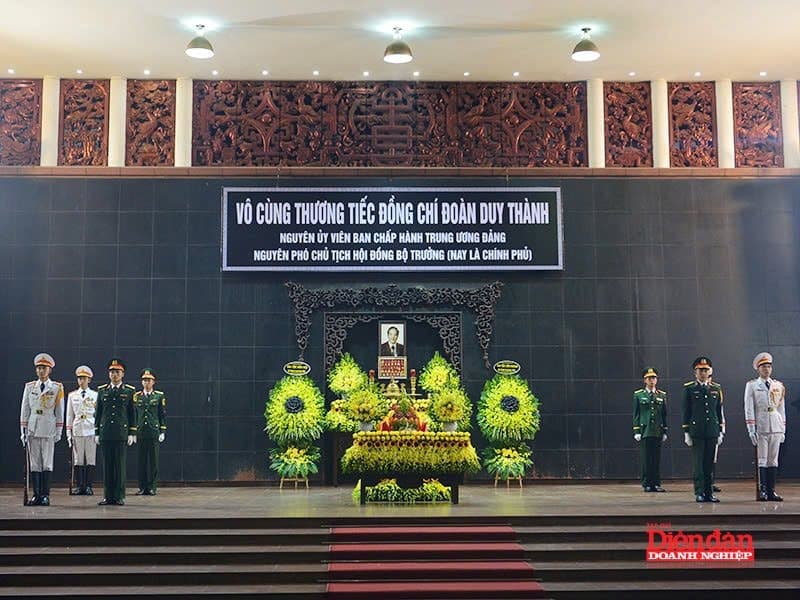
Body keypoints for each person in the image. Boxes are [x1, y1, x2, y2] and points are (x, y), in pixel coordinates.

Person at [19, 353, 64, 506]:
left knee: (47, 463)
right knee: (35, 463)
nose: (41, 371)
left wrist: (59, 431)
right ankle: (36, 495)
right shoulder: (30, 386)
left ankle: (45, 495)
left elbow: (59, 411)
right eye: (38, 368)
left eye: (44, 368)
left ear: (50, 370)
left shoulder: (57, 387)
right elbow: (25, 409)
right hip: (32, 428)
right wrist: (23, 431)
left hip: (48, 428)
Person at [745, 352, 787, 501]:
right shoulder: (752, 385)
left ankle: (771, 490)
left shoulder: (778, 385)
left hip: (775, 425)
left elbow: (781, 408)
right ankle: (762, 490)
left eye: (769, 366)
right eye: (764, 367)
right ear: (758, 368)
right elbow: (749, 408)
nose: (767, 369)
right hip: (761, 426)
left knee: (773, 460)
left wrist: (783, 429)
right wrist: (751, 429)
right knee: (762, 459)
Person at [682, 356, 724, 503]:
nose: (703, 373)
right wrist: (686, 432)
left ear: (710, 371)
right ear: (695, 372)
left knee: (709, 463)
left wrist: (720, 430)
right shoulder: (689, 388)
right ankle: (700, 492)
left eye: (706, 370)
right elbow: (686, 411)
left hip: (712, 430)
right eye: (700, 370)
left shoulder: (716, 388)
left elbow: (718, 411)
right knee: (699, 464)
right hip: (697, 431)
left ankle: (709, 492)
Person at [95, 358, 136, 506]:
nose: (114, 374)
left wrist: (132, 432)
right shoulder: (102, 390)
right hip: (106, 433)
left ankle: (119, 496)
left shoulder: (129, 391)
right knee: (107, 466)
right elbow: (98, 413)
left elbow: (132, 413)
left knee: (119, 466)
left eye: (117, 372)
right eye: (112, 371)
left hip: (120, 433)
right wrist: (97, 432)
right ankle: (108, 496)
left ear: (123, 374)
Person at [632, 367, 668, 492]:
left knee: (656, 459)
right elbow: (636, 414)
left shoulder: (662, 395)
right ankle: (647, 483)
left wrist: (664, 431)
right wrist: (637, 431)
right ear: (644, 380)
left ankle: (656, 483)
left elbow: (664, 414)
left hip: (657, 430)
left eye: (654, 378)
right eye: (649, 378)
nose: (652, 380)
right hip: (645, 430)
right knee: (646, 459)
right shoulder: (638, 395)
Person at [133, 368, 167, 496]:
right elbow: (135, 415)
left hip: (153, 431)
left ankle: (152, 487)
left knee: (153, 461)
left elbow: (162, 415)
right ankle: (142, 487)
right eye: (144, 380)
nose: (146, 382)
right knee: (141, 461)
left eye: (149, 380)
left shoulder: (158, 396)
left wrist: (162, 430)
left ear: (153, 382)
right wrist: (133, 431)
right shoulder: (136, 397)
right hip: (141, 432)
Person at [66, 365, 98, 495]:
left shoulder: (95, 395)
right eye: (79, 378)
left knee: (90, 459)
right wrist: (68, 433)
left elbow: (97, 414)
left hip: (90, 428)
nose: (81, 380)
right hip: (78, 428)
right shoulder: (73, 395)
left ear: (89, 380)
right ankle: (79, 486)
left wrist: (98, 432)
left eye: (84, 378)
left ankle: (89, 486)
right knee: (78, 459)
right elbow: (69, 415)